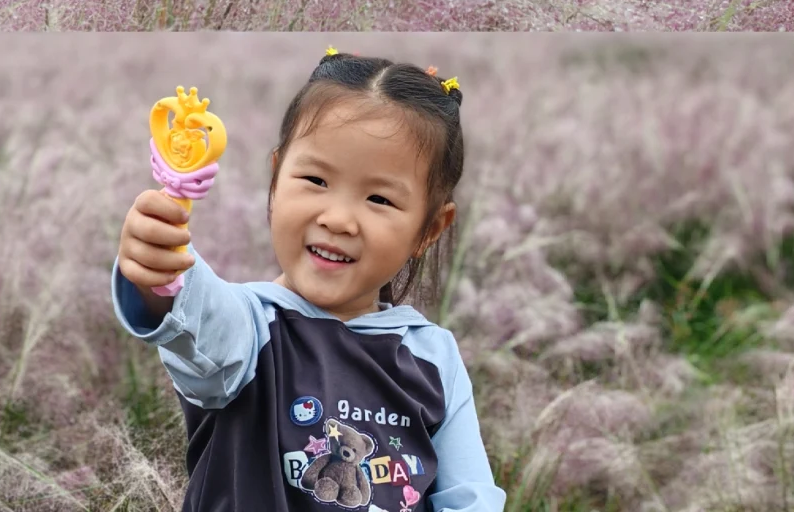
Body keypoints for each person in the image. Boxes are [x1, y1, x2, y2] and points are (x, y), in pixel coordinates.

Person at [112, 48, 506, 512]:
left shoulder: (433, 358)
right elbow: (195, 318)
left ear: (429, 230)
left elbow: (470, 497)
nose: (338, 219)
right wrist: (160, 263)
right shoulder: (251, 329)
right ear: (276, 178)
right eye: (316, 180)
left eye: (379, 198)